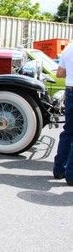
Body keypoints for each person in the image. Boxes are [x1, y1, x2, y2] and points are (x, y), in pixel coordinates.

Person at [54, 43, 73, 186]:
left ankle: (59, 169)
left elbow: (59, 73)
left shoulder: (69, 48)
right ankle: (71, 175)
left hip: (70, 90)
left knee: (68, 131)